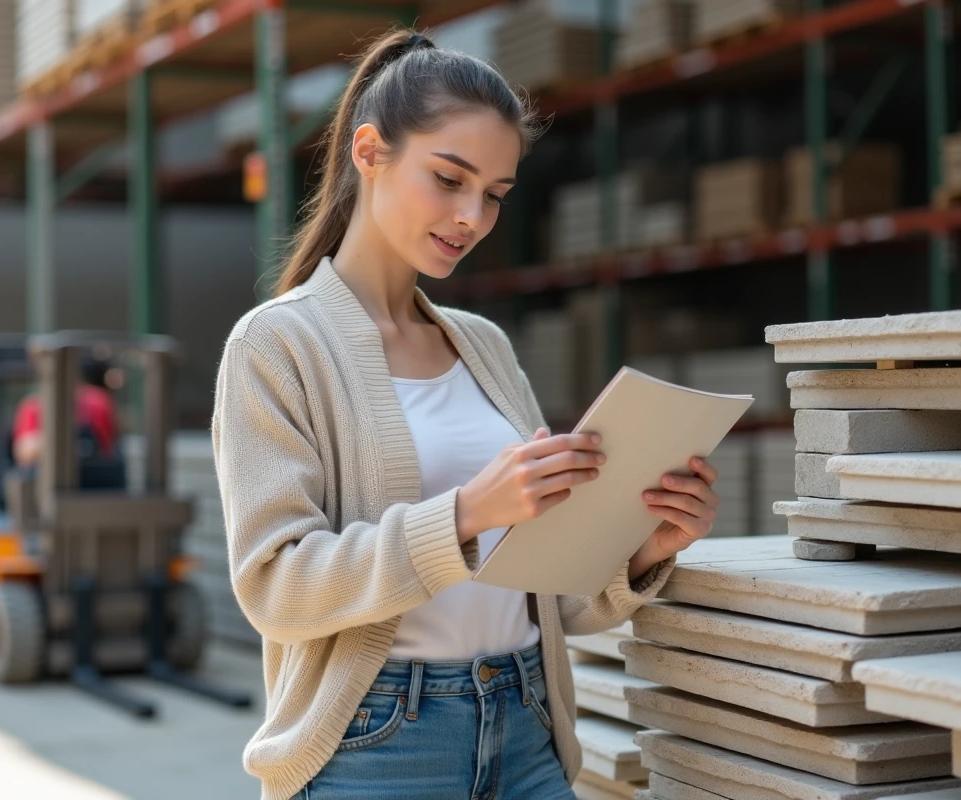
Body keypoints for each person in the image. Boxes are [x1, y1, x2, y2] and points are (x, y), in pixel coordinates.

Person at [211, 29, 720, 800]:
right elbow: (276, 588)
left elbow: (550, 597)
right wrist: (466, 515)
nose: (472, 217)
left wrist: (642, 547)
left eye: (494, 194)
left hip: (526, 729)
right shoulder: (276, 346)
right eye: (449, 179)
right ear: (370, 152)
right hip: (378, 745)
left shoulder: (483, 346)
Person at [12, 353, 121, 471]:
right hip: (49, 477)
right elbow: (25, 453)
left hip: (92, 479)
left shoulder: (98, 401)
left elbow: (107, 448)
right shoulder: (33, 406)